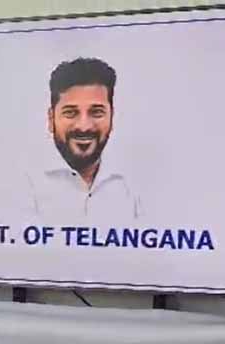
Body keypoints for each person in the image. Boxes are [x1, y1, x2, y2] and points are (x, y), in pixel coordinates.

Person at [23, 57, 142, 221]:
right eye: (70, 113)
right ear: (51, 119)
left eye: (96, 112)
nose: (84, 126)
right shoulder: (25, 185)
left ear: (111, 117)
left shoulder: (131, 187)